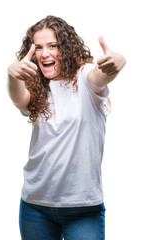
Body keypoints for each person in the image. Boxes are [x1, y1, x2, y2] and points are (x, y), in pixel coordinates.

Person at [7, 15, 125, 240]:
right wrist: (12, 74)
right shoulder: (37, 87)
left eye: (53, 45)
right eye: (39, 47)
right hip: (35, 206)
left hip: (82, 209)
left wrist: (119, 60)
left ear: (67, 48)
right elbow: (18, 99)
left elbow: (103, 75)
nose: (45, 53)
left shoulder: (85, 79)